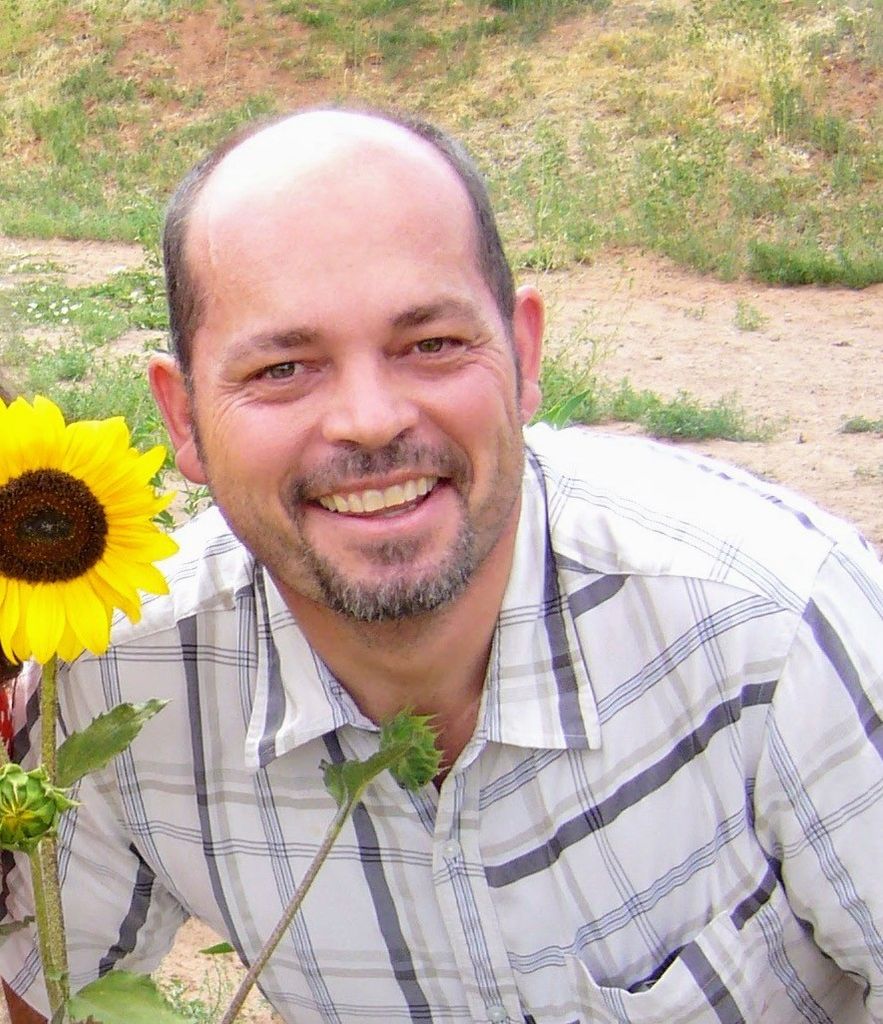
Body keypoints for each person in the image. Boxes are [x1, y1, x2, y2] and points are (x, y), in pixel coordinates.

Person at [0, 106, 881, 1024]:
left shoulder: (780, 631)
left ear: (524, 354)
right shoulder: (117, 681)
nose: (370, 419)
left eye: (430, 345)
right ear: (183, 419)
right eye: (283, 368)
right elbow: (61, 997)